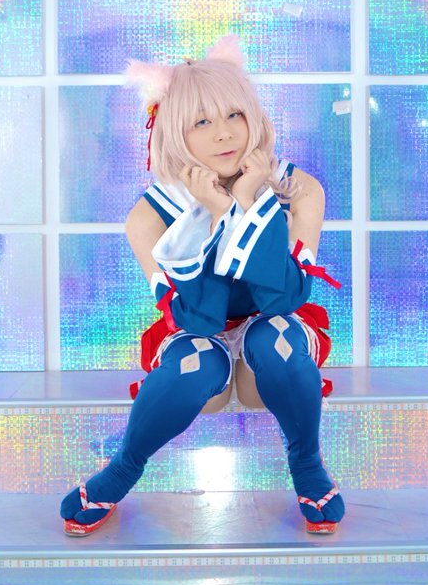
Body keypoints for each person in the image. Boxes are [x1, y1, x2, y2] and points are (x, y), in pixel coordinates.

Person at [59, 34, 346, 537]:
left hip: (272, 333)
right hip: (199, 333)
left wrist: (246, 202)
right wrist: (217, 212)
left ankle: (306, 461)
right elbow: (198, 318)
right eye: (201, 122)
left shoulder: (299, 190)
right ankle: (123, 467)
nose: (224, 134)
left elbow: (283, 297)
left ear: (254, 115)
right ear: (175, 132)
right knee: (196, 361)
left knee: (274, 337)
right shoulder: (149, 216)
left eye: (234, 114)